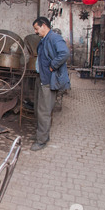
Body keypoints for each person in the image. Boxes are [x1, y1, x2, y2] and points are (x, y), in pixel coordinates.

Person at [31, 17, 70, 151]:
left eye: (37, 28)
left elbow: (64, 53)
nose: (36, 32)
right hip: (41, 78)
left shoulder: (54, 38)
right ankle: (41, 134)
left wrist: (53, 66)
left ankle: (42, 140)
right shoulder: (45, 40)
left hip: (48, 80)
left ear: (44, 26)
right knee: (38, 109)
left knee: (44, 111)